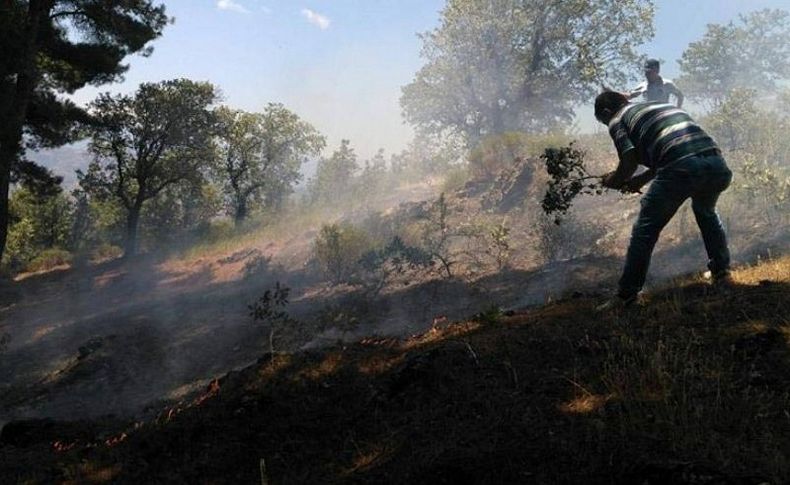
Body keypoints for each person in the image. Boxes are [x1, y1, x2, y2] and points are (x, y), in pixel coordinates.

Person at [593, 90, 733, 311]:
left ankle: (626, 296)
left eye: (603, 121)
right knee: (706, 211)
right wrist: (640, 180)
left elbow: (628, 161)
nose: (606, 124)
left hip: (681, 169)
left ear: (607, 111)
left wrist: (613, 180)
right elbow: (669, 148)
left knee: (645, 230)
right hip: (716, 164)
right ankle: (721, 270)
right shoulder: (659, 106)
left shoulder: (617, 119)